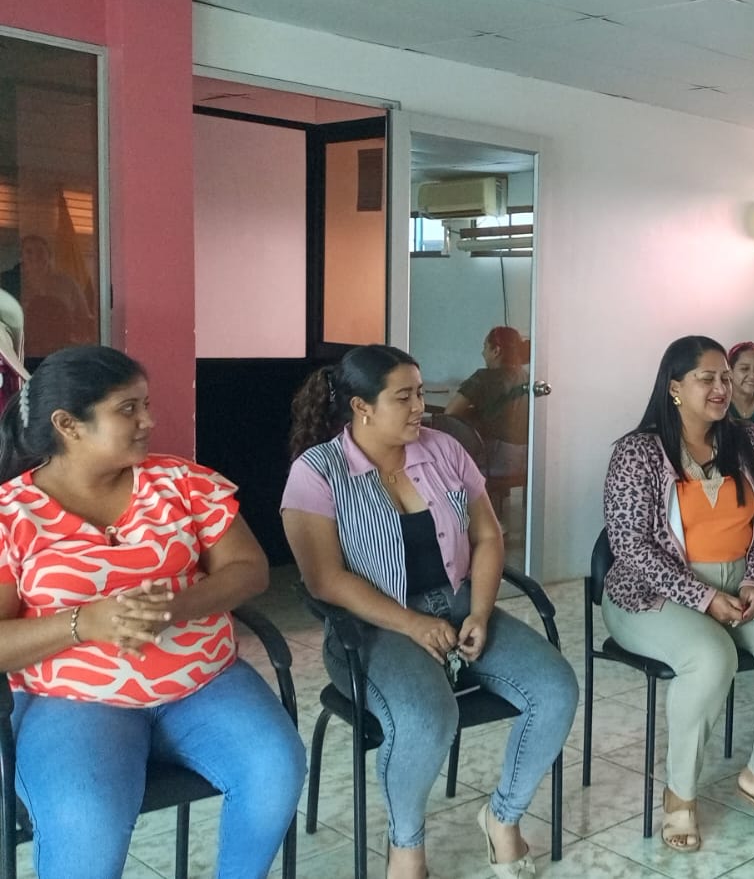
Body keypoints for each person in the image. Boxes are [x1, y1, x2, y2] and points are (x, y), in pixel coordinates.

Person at [0, 345, 306, 879]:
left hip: (203, 682)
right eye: (128, 409)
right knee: (86, 819)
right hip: (74, 702)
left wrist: (173, 607)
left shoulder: (183, 483)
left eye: (146, 404)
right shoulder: (12, 515)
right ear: (68, 424)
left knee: (276, 769)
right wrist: (84, 623)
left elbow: (249, 570)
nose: (149, 420)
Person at [281, 345, 576, 879]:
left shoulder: (444, 450)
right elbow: (324, 578)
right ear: (361, 406)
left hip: (458, 604)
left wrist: (480, 613)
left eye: (419, 393)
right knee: (427, 717)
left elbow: (488, 537)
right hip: (369, 626)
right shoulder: (317, 471)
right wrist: (412, 624)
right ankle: (406, 847)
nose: (421, 406)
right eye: (404, 397)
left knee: (555, 688)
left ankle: (503, 817)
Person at [602, 335, 754, 852]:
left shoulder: (747, 439)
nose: (721, 387)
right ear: (675, 387)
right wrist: (702, 597)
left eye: (725, 377)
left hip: (740, 583)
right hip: (651, 594)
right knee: (711, 656)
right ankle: (679, 797)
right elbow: (630, 546)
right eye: (708, 378)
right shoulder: (637, 452)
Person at [445, 326, 531, 486]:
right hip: (528, 458)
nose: (482, 353)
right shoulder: (527, 377)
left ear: (496, 351)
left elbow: (449, 414)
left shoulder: (483, 378)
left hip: (496, 459)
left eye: (485, 347)